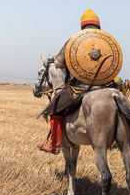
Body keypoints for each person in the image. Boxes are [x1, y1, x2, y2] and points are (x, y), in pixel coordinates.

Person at [38, 9, 102, 154]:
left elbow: (59, 63)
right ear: (98, 25)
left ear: (82, 25)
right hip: (104, 86)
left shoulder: (74, 40)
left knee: (55, 111)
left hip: (80, 88)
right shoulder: (105, 40)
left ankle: (54, 144)